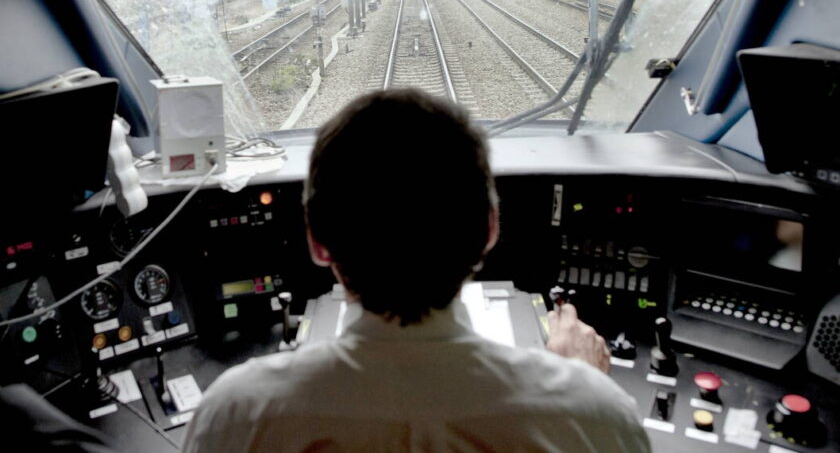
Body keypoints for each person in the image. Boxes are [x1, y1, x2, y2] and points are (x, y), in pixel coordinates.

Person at [182, 89, 650, 452]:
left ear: (317, 242)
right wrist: (579, 386)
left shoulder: (235, 413)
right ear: (489, 230)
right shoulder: (596, 413)